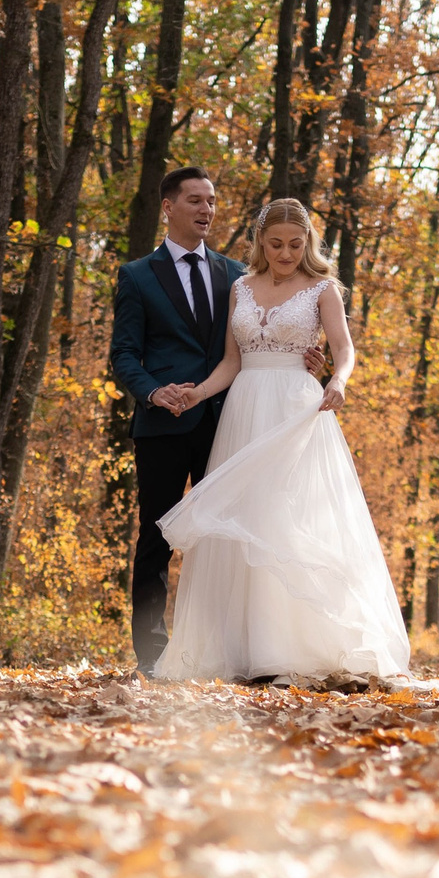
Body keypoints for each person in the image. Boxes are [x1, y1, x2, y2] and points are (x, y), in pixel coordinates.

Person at [146, 198, 412, 684]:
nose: (286, 253)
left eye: (295, 244)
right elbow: (232, 361)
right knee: (244, 520)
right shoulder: (241, 288)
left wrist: (338, 381)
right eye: (276, 244)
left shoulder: (322, 289)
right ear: (260, 243)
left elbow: (344, 348)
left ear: (308, 242)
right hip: (245, 409)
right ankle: (242, 649)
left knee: (287, 517)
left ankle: (293, 648)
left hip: (295, 407)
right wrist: (196, 393)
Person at [109, 168, 248, 676]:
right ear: (168, 207)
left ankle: (221, 650)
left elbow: (255, 342)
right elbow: (123, 354)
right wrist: (150, 390)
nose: (206, 210)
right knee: (157, 537)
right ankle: (153, 655)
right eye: (195, 201)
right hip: (162, 426)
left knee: (226, 540)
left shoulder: (236, 275)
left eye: (211, 200)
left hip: (224, 423)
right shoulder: (136, 276)